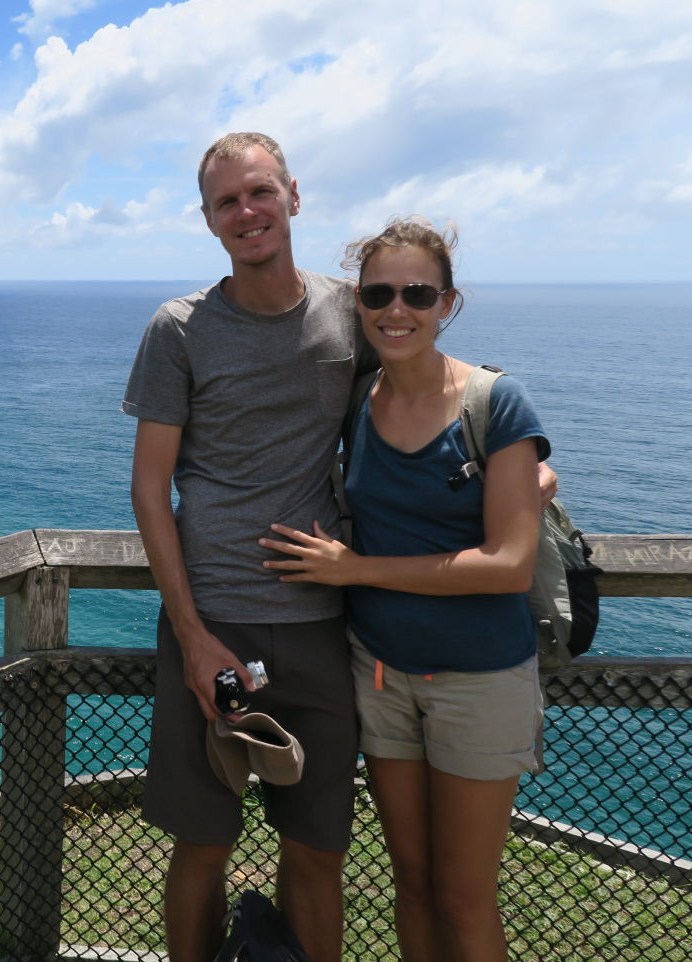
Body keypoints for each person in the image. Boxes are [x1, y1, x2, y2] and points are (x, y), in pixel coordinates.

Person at [260, 218, 547, 962]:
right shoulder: (359, 401)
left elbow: (510, 565)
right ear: (358, 302)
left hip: (480, 680)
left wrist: (355, 570)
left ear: (447, 302)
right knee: (412, 886)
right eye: (378, 293)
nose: (397, 309)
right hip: (382, 673)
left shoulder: (495, 402)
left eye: (417, 293)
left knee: (464, 898)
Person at [123, 132, 370, 962]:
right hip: (216, 625)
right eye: (226, 201)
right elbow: (149, 488)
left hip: (319, 625)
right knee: (203, 842)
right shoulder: (180, 329)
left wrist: (518, 456)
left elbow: (427, 386)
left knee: (318, 849)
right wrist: (194, 638)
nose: (247, 211)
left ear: (294, 196)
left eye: (260, 191)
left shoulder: (350, 313)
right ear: (208, 220)